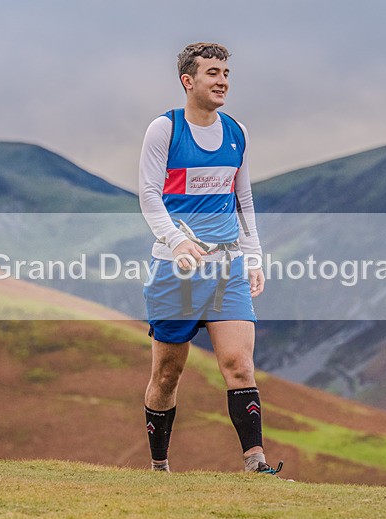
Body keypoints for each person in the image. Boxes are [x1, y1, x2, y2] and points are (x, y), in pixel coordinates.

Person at [139, 42, 280, 475]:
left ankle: (255, 463)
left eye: (226, 74)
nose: (222, 81)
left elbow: (244, 198)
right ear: (189, 80)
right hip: (174, 269)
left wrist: (253, 257)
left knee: (239, 364)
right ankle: (159, 465)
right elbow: (147, 193)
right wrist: (175, 241)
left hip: (227, 267)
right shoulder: (164, 129)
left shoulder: (237, 131)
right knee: (167, 376)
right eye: (213, 73)